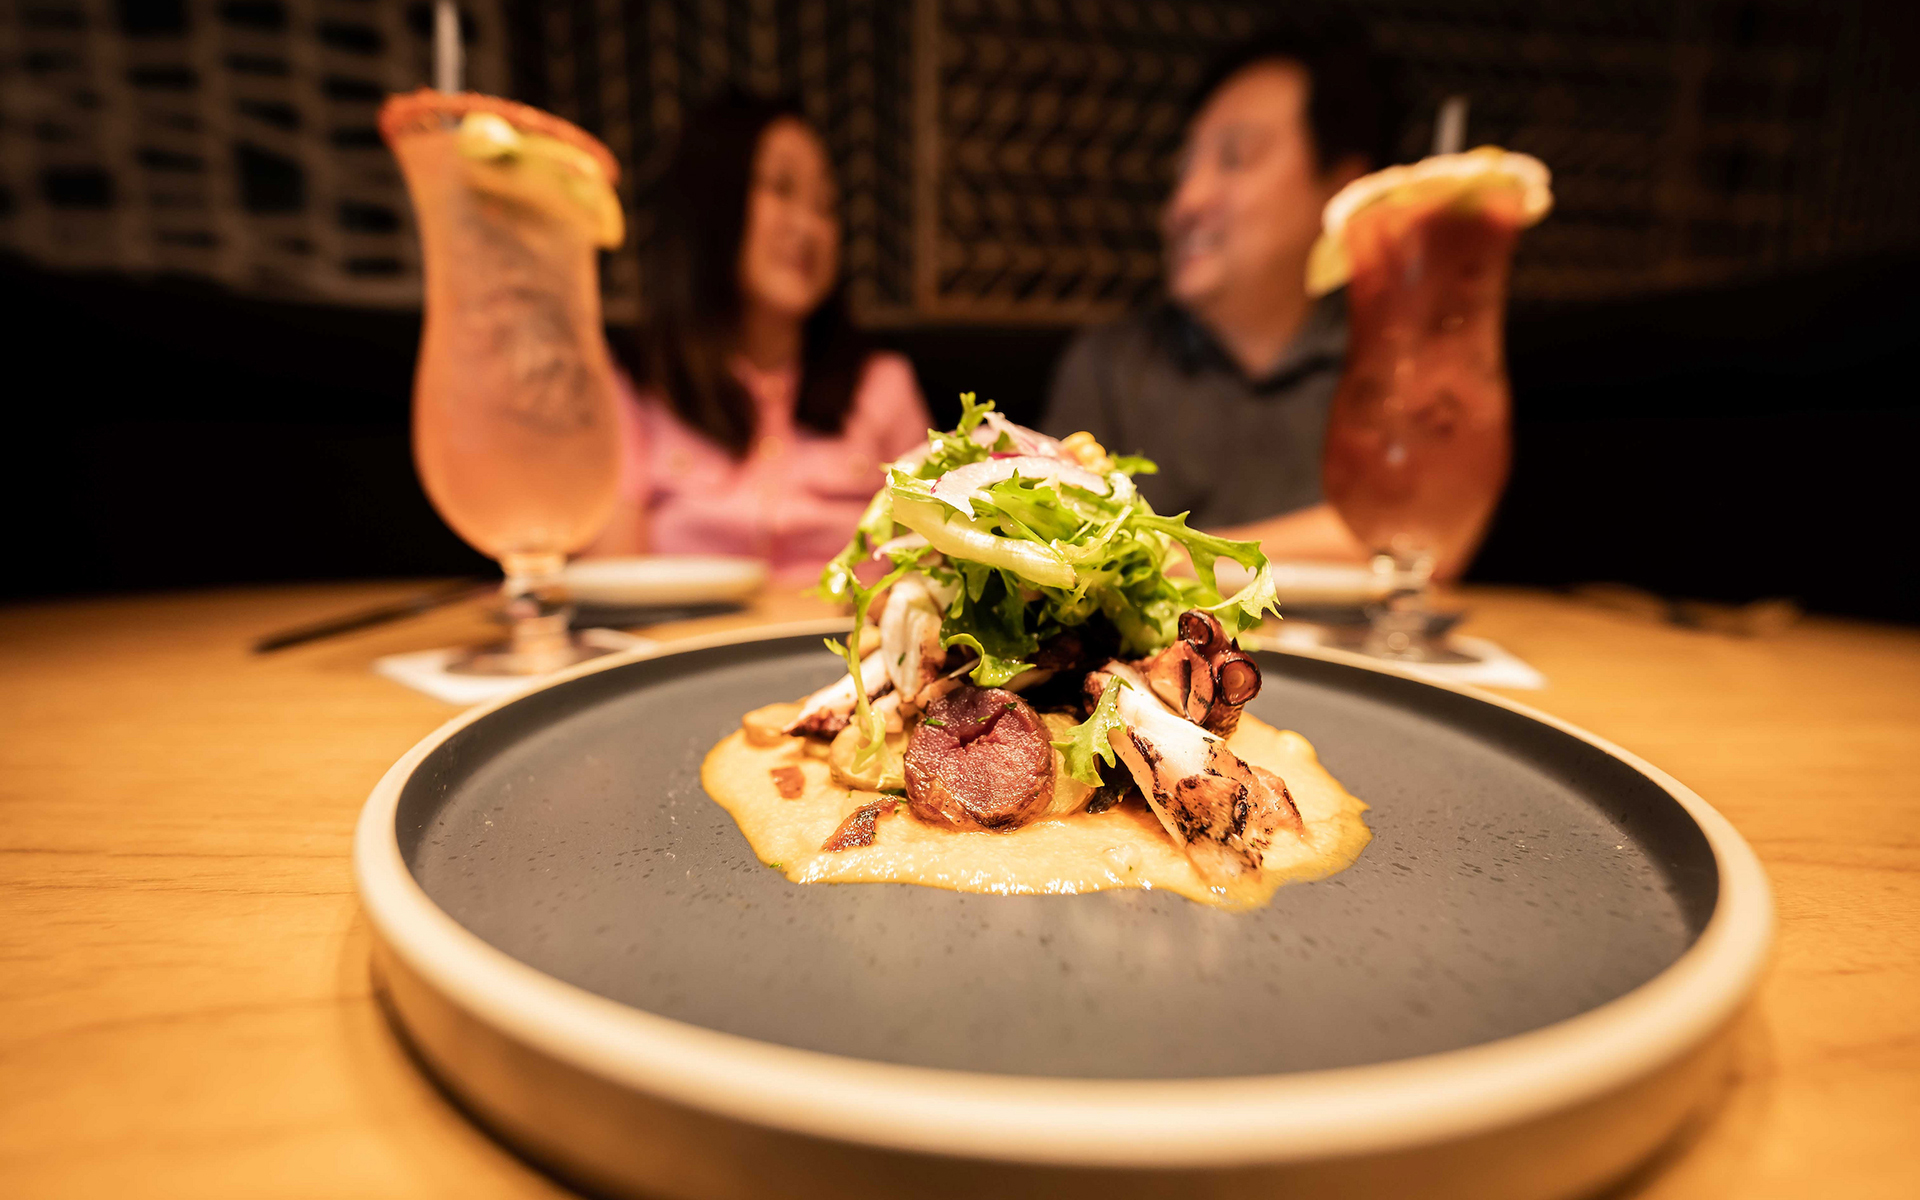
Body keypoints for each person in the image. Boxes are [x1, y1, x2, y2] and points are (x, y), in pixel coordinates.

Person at [1042, 16, 1402, 563]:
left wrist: (1169, 557)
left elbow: (1415, 536)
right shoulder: (1110, 367)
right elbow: (1056, 546)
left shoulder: (1392, 364)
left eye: (1234, 159)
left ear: (1343, 188)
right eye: (1184, 170)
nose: (1185, 203)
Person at [589, 93, 931, 581]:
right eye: (781, 188)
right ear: (713, 200)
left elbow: (930, 566)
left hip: (841, 631)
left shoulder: (882, 384)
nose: (808, 226)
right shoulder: (636, 386)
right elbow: (610, 578)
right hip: (693, 631)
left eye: (825, 205)